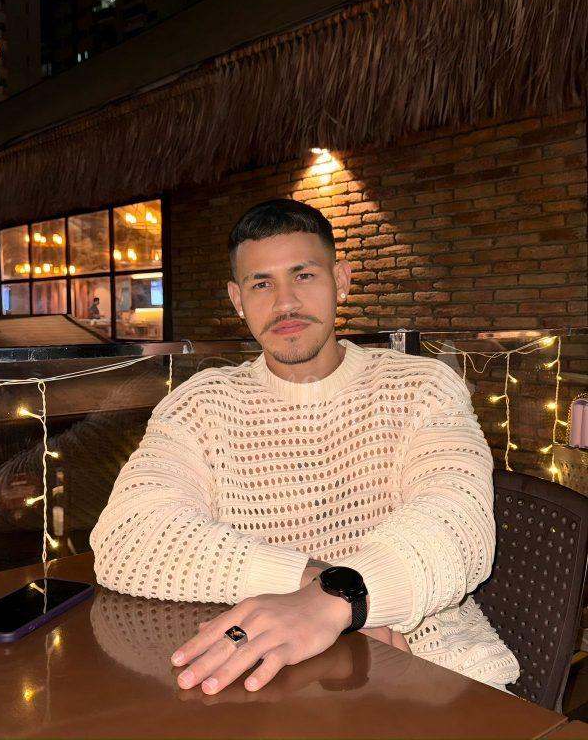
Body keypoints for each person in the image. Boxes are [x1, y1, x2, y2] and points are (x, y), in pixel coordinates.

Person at [90, 199, 519, 696]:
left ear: (340, 280)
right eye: (262, 284)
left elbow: (456, 522)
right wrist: (325, 587)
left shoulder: (422, 387)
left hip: (427, 664)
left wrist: (337, 604)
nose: (285, 303)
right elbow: (129, 535)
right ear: (237, 299)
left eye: (304, 275)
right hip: (263, 674)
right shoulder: (200, 404)